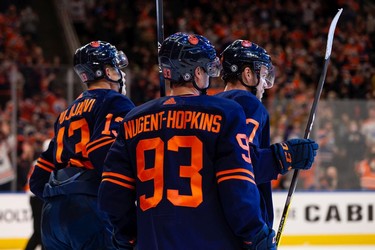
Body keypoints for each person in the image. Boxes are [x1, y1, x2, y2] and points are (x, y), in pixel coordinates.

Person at [98, 32, 276, 250]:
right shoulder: (227, 112)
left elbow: (112, 192)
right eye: (207, 69)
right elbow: (236, 184)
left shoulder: (133, 118)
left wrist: (128, 237)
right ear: (197, 72)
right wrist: (254, 234)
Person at [29, 41, 135, 249]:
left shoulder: (66, 113)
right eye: (115, 68)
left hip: (52, 214)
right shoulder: (115, 101)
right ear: (107, 71)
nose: (120, 73)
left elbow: (37, 178)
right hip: (88, 205)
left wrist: (62, 196)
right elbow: (102, 152)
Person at [216, 39, 319, 228]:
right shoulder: (248, 102)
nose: (264, 84)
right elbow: (241, 165)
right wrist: (286, 155)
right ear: (247, 74)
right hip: (239, 224)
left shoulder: (210, 106)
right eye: (263, 76)